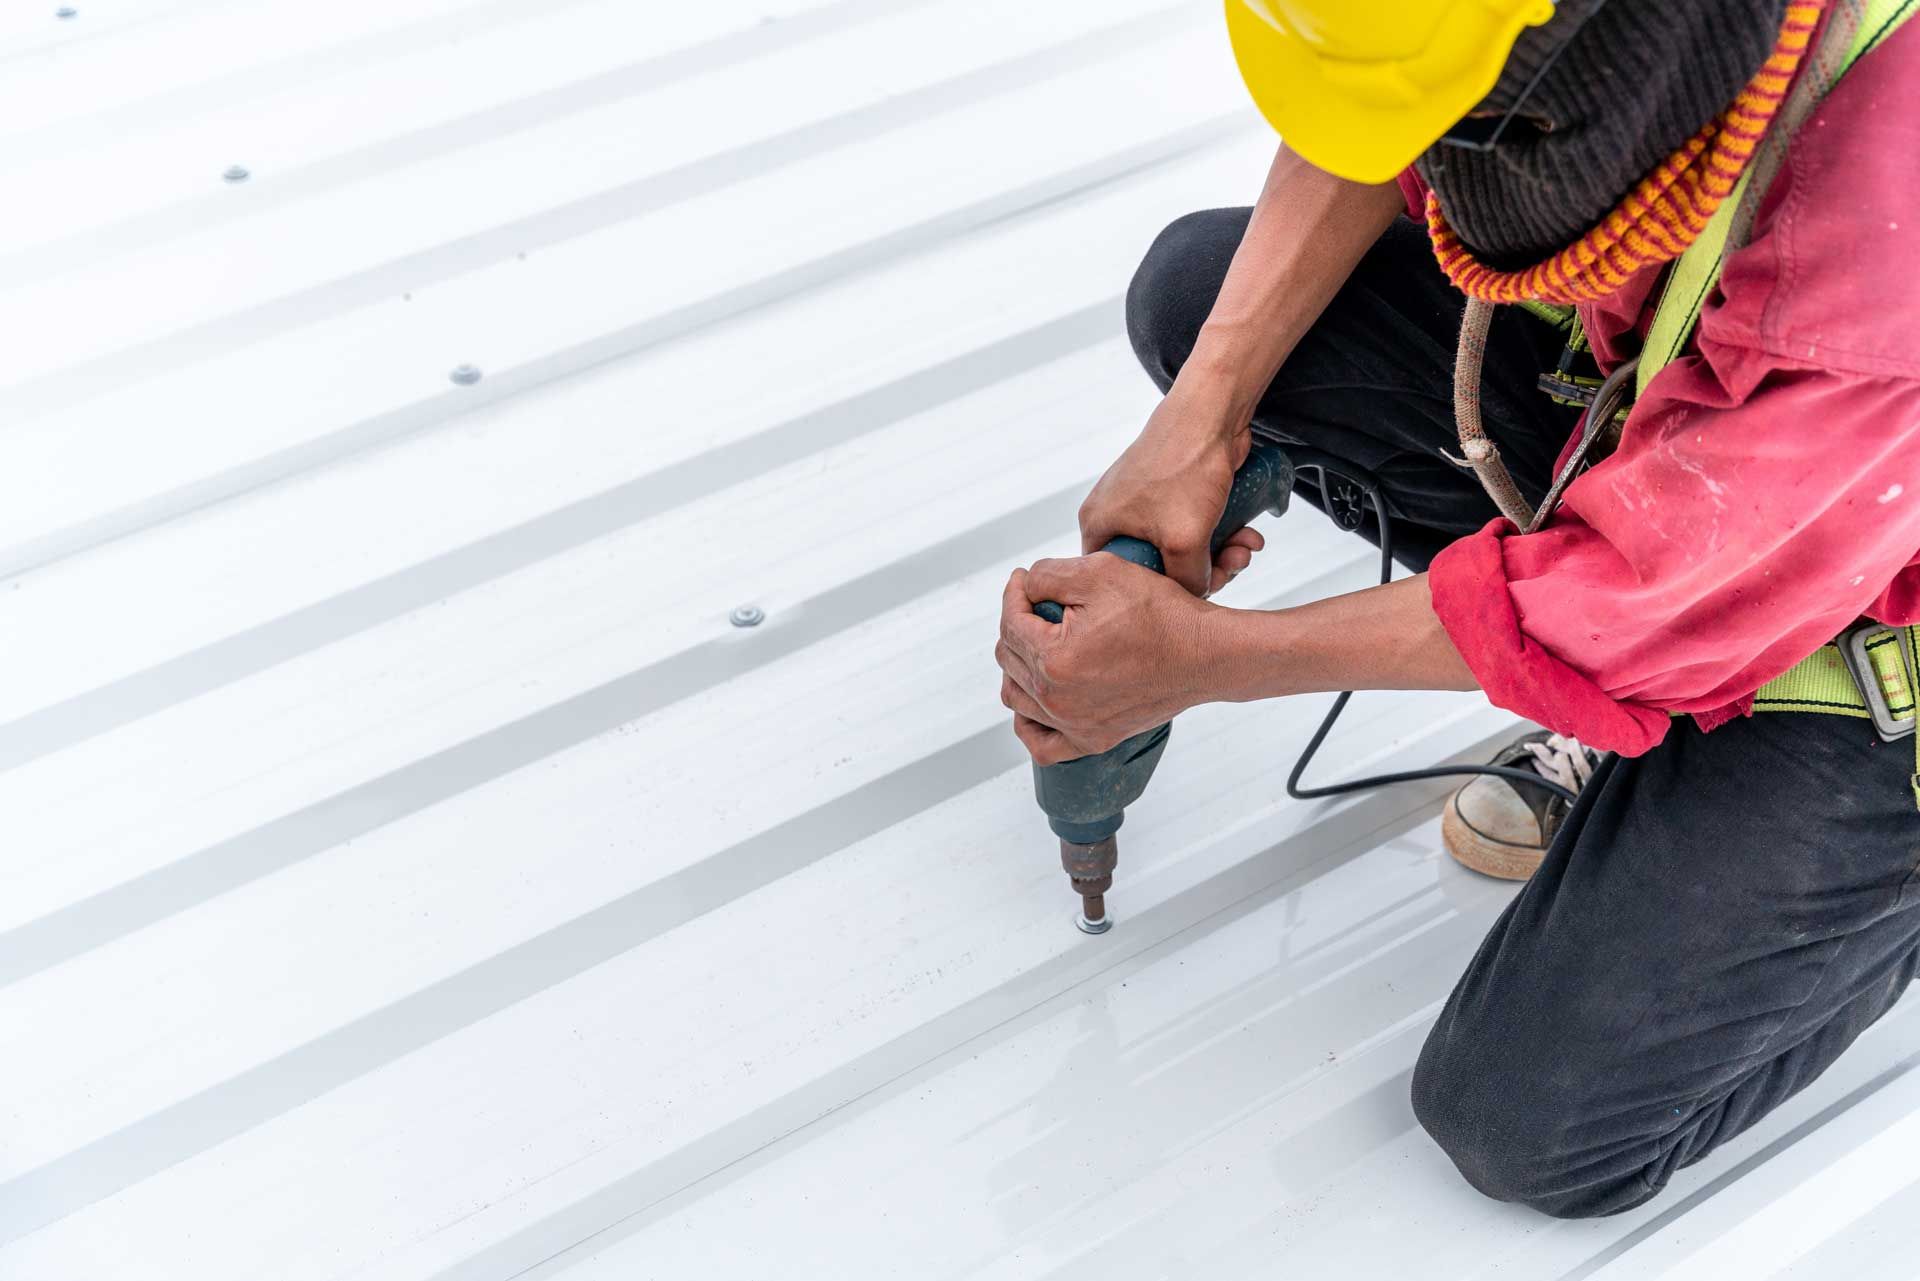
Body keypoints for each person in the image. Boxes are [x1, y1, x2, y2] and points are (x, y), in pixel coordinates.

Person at [993, 0, 1920, 1217]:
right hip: (1720, 457)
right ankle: (1650, 735)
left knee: (1527, 1130)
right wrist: (1203, 414)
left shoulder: (1873, 275)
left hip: (1864, 589)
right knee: (1201, 298)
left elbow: (1643, 600)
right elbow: (1391, 117)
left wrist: (1201, 659)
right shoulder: (1604, 47)